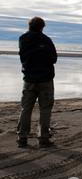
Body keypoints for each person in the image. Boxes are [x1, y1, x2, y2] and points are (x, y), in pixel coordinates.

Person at [17, 17, 58, 148]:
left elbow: (23, 56)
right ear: (42, 27)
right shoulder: (45, 40)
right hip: (44, 79)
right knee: (45, 109)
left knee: (26, 108)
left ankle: (22, 138)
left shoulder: (23, 39)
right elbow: (53, 58)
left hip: (30, 78)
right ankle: (43, 138)